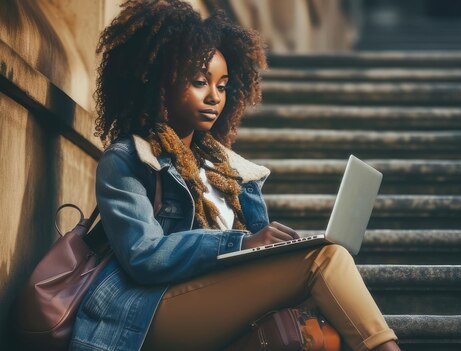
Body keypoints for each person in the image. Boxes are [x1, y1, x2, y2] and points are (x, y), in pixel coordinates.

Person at [69, 1, 400, 350]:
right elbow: (144, 255)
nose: (214, 96)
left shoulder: (231, 172)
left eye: (223, 86)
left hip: (216, 300)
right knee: (324, 260)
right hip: (148, 311)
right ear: (160, 85)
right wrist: (241, 242)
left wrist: (275, 250)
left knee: (322, 307)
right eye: (200, 82)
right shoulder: (129, 160)